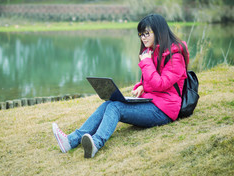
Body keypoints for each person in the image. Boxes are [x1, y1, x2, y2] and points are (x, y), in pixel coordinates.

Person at [52, 14, 189, 158]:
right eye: (141, 34)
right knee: (109, 103)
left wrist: (147, 63)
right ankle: (70, 141)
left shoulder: (176, 55)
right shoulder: (152, 52)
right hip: (151, 102)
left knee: (116, 107)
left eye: (147, 33)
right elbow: (152, 79)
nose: (143, 37)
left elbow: (161, 84)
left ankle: (96, 143)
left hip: (164, 110)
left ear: (159, 31)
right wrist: (141, 86)